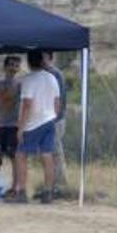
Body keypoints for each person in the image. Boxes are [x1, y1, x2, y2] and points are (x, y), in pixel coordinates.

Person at [8, 50, 61, 205]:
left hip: (33, 123)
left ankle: (21, 192)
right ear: (42, 61)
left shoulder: (28, 80)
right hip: (49, 120)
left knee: (20, 155)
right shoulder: (52, 78)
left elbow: (27, 105)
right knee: (47, 155)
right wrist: (53, 116)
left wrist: (21, 127)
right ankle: (48, 192)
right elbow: (57, 102)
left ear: (29, 62)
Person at [0, 55, 21, 186]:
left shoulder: (20, 84)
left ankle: (15, 186)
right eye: (11, 64)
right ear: (5, 66)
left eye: (16, 65)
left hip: (13, 125)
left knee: (14, 157)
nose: (14, 68)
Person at [43, 51, 67, 188]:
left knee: (55, 151)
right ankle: (54, 183)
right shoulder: (47, 74)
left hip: (56, 119)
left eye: (44, 56)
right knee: (51, 151)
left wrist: (54, 117)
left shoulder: (55, 74)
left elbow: (59, 99)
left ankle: (59, 183)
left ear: (50, 58)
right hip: (50, 118)